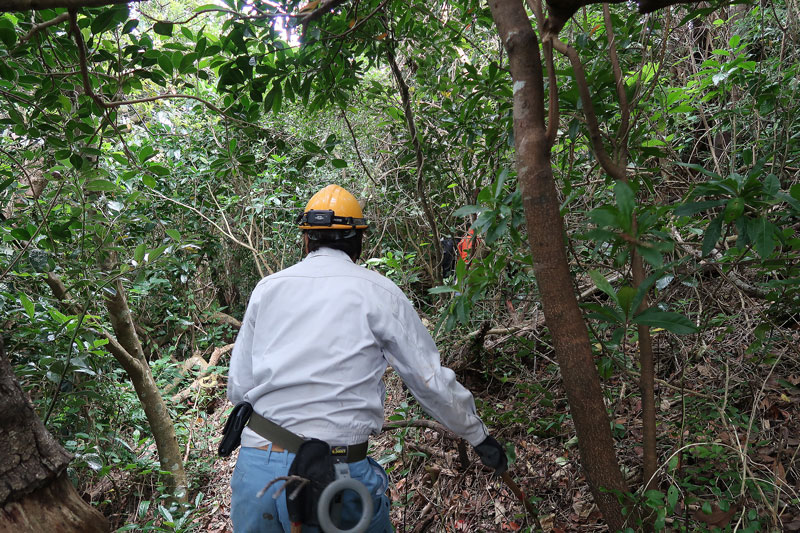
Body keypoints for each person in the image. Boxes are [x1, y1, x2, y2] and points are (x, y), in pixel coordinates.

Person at [226, 184, 507, 532]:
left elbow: (239, 387)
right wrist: (477, 435)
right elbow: (429, 381)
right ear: (359, 241)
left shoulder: (267, 289)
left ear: (306, 240)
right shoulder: (379, 292)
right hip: (336, 476)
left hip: (259, 472)